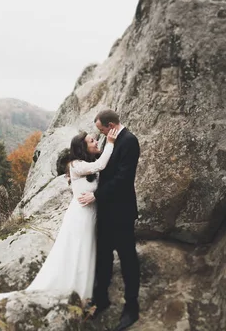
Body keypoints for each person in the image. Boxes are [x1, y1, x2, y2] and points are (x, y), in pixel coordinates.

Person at [0, 128, 118, 304]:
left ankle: (84, 292)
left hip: (91, 216)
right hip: (80, 217)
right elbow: (100, 165)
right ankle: (73, 291)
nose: (96, 142)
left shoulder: (88, 165)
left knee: (86, 252)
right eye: (92, 141)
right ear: (82, 148)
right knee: (77, 252)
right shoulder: (75, 165)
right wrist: (111, 144)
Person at [79, 109, 140, 331]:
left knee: (127, 259)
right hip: (105, 212)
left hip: (122, 212)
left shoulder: (130, 141)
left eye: (102, 129)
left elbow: (124, 179)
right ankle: (101, 299)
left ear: (112, 124)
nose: (101, 134)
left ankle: (132, 307)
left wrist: (96, 195)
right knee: (103, 257)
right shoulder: (111, 138)